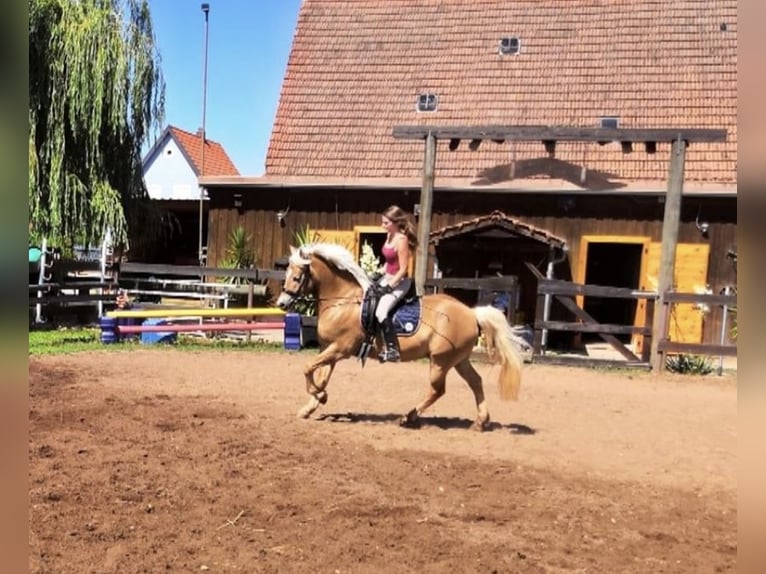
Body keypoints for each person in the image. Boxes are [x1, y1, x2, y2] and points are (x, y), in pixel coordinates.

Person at [375, 205, 418, 362]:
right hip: (387, 277)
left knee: (381, 311)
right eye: (383, 222)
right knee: (368, 298)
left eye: (386, 223)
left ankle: (393, 349)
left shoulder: (401, 240)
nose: (383, 225)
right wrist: (378, 272)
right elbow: (389, 262)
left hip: (400, 282)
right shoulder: (389, 237)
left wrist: (389, 286)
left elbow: (403, 269)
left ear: (394, 223)